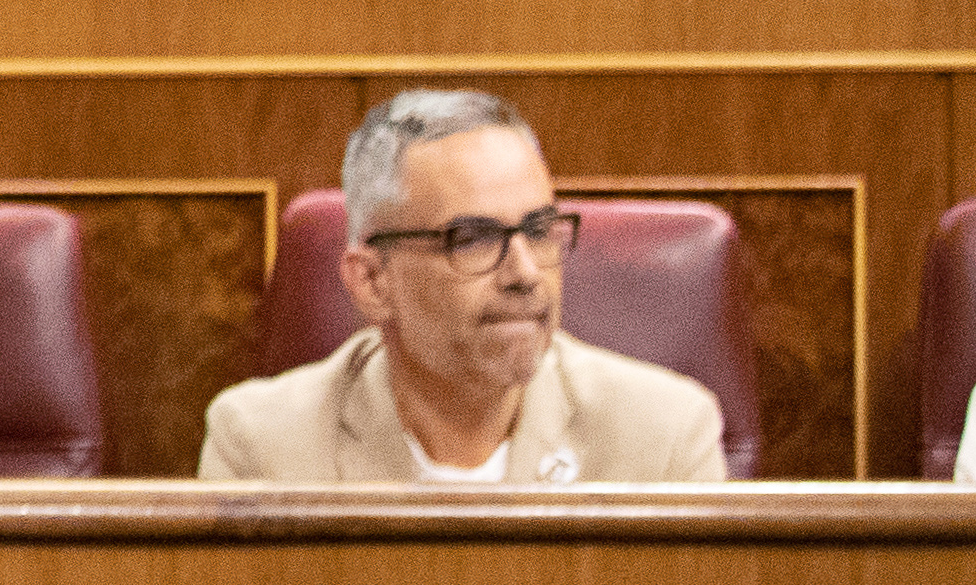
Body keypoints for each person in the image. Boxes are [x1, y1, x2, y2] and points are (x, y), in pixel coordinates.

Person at [193, 84, 728, 479]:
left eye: (539, 231)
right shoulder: (262, 447)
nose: (524, 273)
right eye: (472, 239)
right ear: (372, 282)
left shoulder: (664, 438)